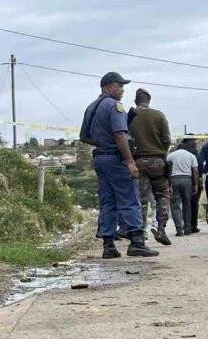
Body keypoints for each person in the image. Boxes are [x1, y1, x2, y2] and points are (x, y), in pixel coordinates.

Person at [79, 72, 159, 258]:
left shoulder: (91, 107)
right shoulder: (115, 106)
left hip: (100, 158)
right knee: (129, 198)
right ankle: (137, 241)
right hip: (116, 159)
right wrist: (130, 161)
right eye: (119, 86)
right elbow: (120, 135)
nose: (122, 90)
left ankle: (108, 246)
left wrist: (102, 143)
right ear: (108, 87)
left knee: (108, 201)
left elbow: (84, 137)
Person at [128, 87, 173, 245]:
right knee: (163, 195)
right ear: (149, 100)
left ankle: (141, 234)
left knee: (141, 199)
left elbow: (125, 139)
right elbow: (167, 140)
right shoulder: (159, 115)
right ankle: (161, 229)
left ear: (135, 101)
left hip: (138, 162)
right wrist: (162, 154)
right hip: (158, 162)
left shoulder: (129, 116)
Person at [167, 142, 200, 235]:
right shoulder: (191, 156)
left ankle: (179, 229)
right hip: (187, 180)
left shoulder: (171, 156)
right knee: (187, 205)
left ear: (177, 148)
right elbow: (195, 171)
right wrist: (196, 185)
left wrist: (168, 185)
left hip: (174, 180)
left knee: (175, 205)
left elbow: (167, 170)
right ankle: (187, 228)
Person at [184, 138, 204, 232]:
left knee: (185, 203)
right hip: (194, 179)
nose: (195, 142)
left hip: (184, 179)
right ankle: (193, 225)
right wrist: (200, 179)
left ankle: (186, 225)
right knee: (194, 203)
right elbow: (199, 165)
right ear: (188, 141)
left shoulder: (180, 151)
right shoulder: (194, 152)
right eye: (193, 141)